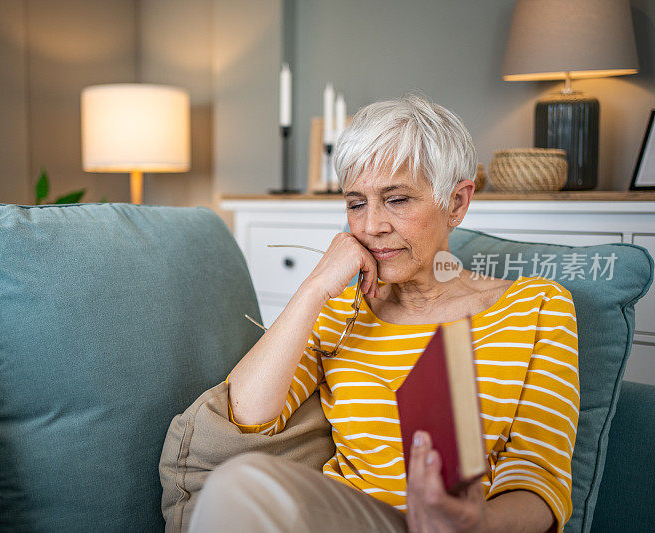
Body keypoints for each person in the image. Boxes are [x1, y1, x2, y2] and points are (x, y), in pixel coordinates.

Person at [189, 93, 579, 533]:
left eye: (396, 200)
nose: (371, 226)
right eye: (356, 203)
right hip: (352, 519)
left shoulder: (537, 307)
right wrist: (315, 287)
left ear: (456, 203)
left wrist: (474, 522)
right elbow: (246, 416)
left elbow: (538, 479)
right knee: (240, 483)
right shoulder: (341, 310)